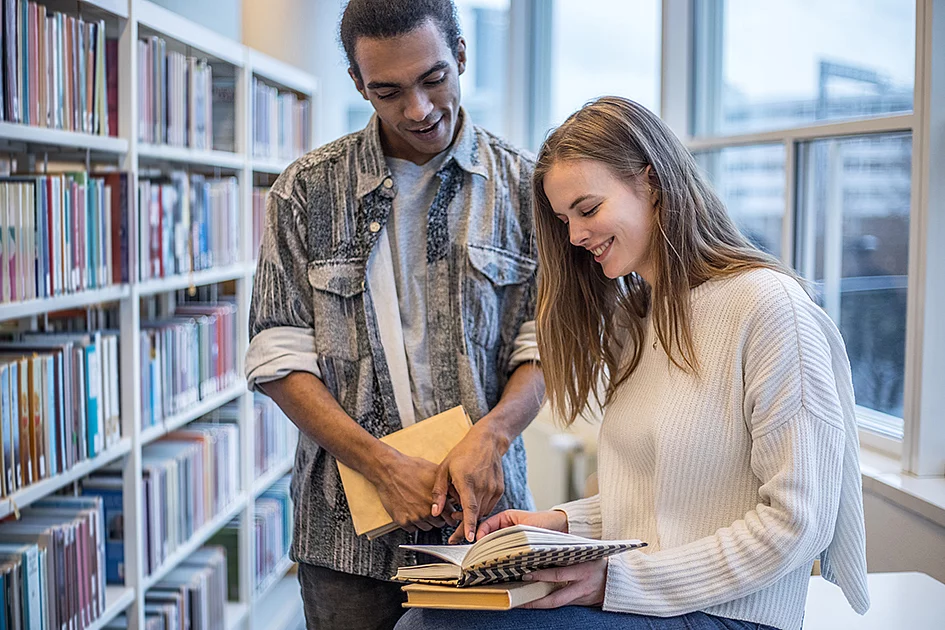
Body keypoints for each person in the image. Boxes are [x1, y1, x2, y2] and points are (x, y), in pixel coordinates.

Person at [396, 97, 870, 630]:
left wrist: (616, 579)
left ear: (652, 184)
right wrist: (556, 525)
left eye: (588, 208)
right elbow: (658, 500)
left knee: (442, 628)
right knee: (429, 615)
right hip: (655, 595)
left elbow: (797, 523)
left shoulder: (768, 308)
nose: (575, 236)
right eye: (563, 219)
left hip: (730, 614)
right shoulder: (632, 318)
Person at [244, 1, 544, 628]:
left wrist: (491, 435)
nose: (418, 109)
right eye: (387, 90)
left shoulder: (524, 186)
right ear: (357, 84)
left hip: (486, 526)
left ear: (461, 55)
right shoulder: (304, 191)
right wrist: (380, 464)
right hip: (344, 542)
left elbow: (544, 343)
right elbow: (277, 356)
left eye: (434, 78)